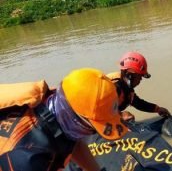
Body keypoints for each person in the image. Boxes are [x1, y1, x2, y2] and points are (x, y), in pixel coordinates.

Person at [0, 68, 128, 171]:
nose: (91, 134)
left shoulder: (57, 106)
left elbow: (73, 141)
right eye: (93, 129)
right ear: (75, 120)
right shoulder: (29, 160)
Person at [107, 51, 170, 121]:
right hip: (95, 124)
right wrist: (121, 115)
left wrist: (157, 109)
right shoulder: (113, 87)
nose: (140, 80)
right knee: (128, 117)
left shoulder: (126, 87)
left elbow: (138, 103)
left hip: (106, 119)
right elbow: (100, 109)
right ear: (130, 75)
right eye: (139, 77)